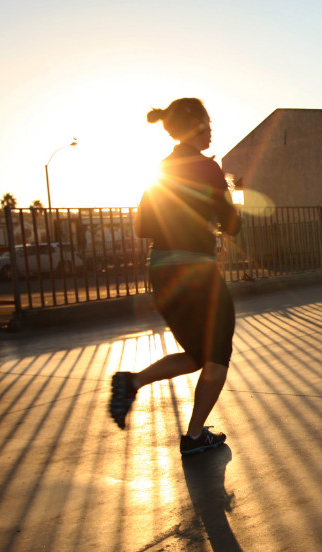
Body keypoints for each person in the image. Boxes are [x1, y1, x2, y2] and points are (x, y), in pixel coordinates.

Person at [109, 98, 241, 455]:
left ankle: (132, 381)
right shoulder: (207, 168)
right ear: (194, 125)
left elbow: (141, 226)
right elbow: (233, 224)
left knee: (198, 354)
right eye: (207, 122)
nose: (211, 128)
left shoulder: (162, 169)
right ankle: (195, 437)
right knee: (217, 357)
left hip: (162, 270)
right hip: (196, 269)